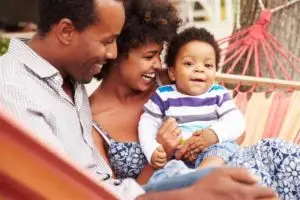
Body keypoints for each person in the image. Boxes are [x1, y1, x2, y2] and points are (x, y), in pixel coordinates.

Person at [0, 0, 281, 200]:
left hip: (132, 190)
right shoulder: (12, 89)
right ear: (65, 31)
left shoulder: (70, 81)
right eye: (107, 41)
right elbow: (60, 189)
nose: (112, 53)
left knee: (239, 182)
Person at [139, 27, 245, 182]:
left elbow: (236, 121)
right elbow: (147, 123)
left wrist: (212, 135)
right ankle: (187, 181)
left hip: (213, 152)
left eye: (208, 65)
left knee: (226, 147)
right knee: (163, 174)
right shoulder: (164, 95)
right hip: (179, 159)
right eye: (189, 63)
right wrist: (153, 150)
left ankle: (202, 174)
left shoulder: (218, 94)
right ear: (172, 72)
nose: (199, 69)